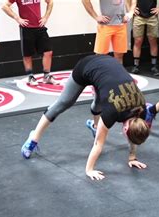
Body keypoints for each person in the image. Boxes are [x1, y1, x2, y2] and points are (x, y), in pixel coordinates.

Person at [21, 55, 151, 180]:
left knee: (100, 102)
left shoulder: (142, 110)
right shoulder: (112, 112)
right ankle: (33, 138)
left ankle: (95, 126)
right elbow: (98, 144)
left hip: (108, 71)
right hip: (87, 66)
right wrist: (89, 170)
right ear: (126, 128)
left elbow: (134, 134)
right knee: (64, 103)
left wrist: (132, 157)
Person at [2, 0, 59, 86]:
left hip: (39, 26)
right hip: (26, 28)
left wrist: (46, 17)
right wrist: (17, 18)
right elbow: (4, 6)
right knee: (27, 54)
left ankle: (47, 76)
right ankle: (30, 76)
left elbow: (50, 2)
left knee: (48, 51)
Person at [82, 0, 136, 64]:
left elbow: (133, 1)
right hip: (105, 25)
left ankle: (117, 73)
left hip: (121, 25)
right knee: (100, 56)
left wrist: (129, 14)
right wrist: (96, 17)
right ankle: (100, 73)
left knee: (119, 55)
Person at [130, 0, 159, 76]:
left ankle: (154, 65)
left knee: (153, 41)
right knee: (138, 41)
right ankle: (136, 66)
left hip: (152, 16)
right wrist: (130, 8)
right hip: (138, 16)